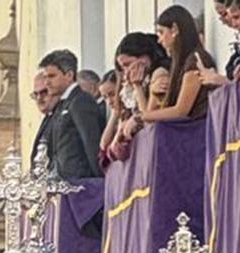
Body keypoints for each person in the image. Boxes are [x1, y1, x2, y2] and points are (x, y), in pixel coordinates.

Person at [100, 33, 170, 168]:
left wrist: (137, 86)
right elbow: (104, 144)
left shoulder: (159, 74)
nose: (126, 72)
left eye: (128, 64)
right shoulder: (141, 82)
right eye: (123, 68)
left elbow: (149, 118)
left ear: (144, 58)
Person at [141, 5, 216, 123]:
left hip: (197, 129)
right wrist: (154, 94)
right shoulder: (181, 63)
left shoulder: (196, 60)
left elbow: (181, 111)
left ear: (174, 29)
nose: (159, 40)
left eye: (161, 32)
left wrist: (142, 117)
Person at [39, 49, 106, 178]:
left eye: (52, 76)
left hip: (81, 182)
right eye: (45, 77)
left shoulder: (81, 101)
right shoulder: (62, 104)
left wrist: (100, 180)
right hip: (62, 183)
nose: (46, 82)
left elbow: (91, 143)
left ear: (69, 75)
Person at [30, 73, 56, 164]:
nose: (39, 98)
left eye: (44, 92)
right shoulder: (47, 118)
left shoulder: (62, 118)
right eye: (35, 94)